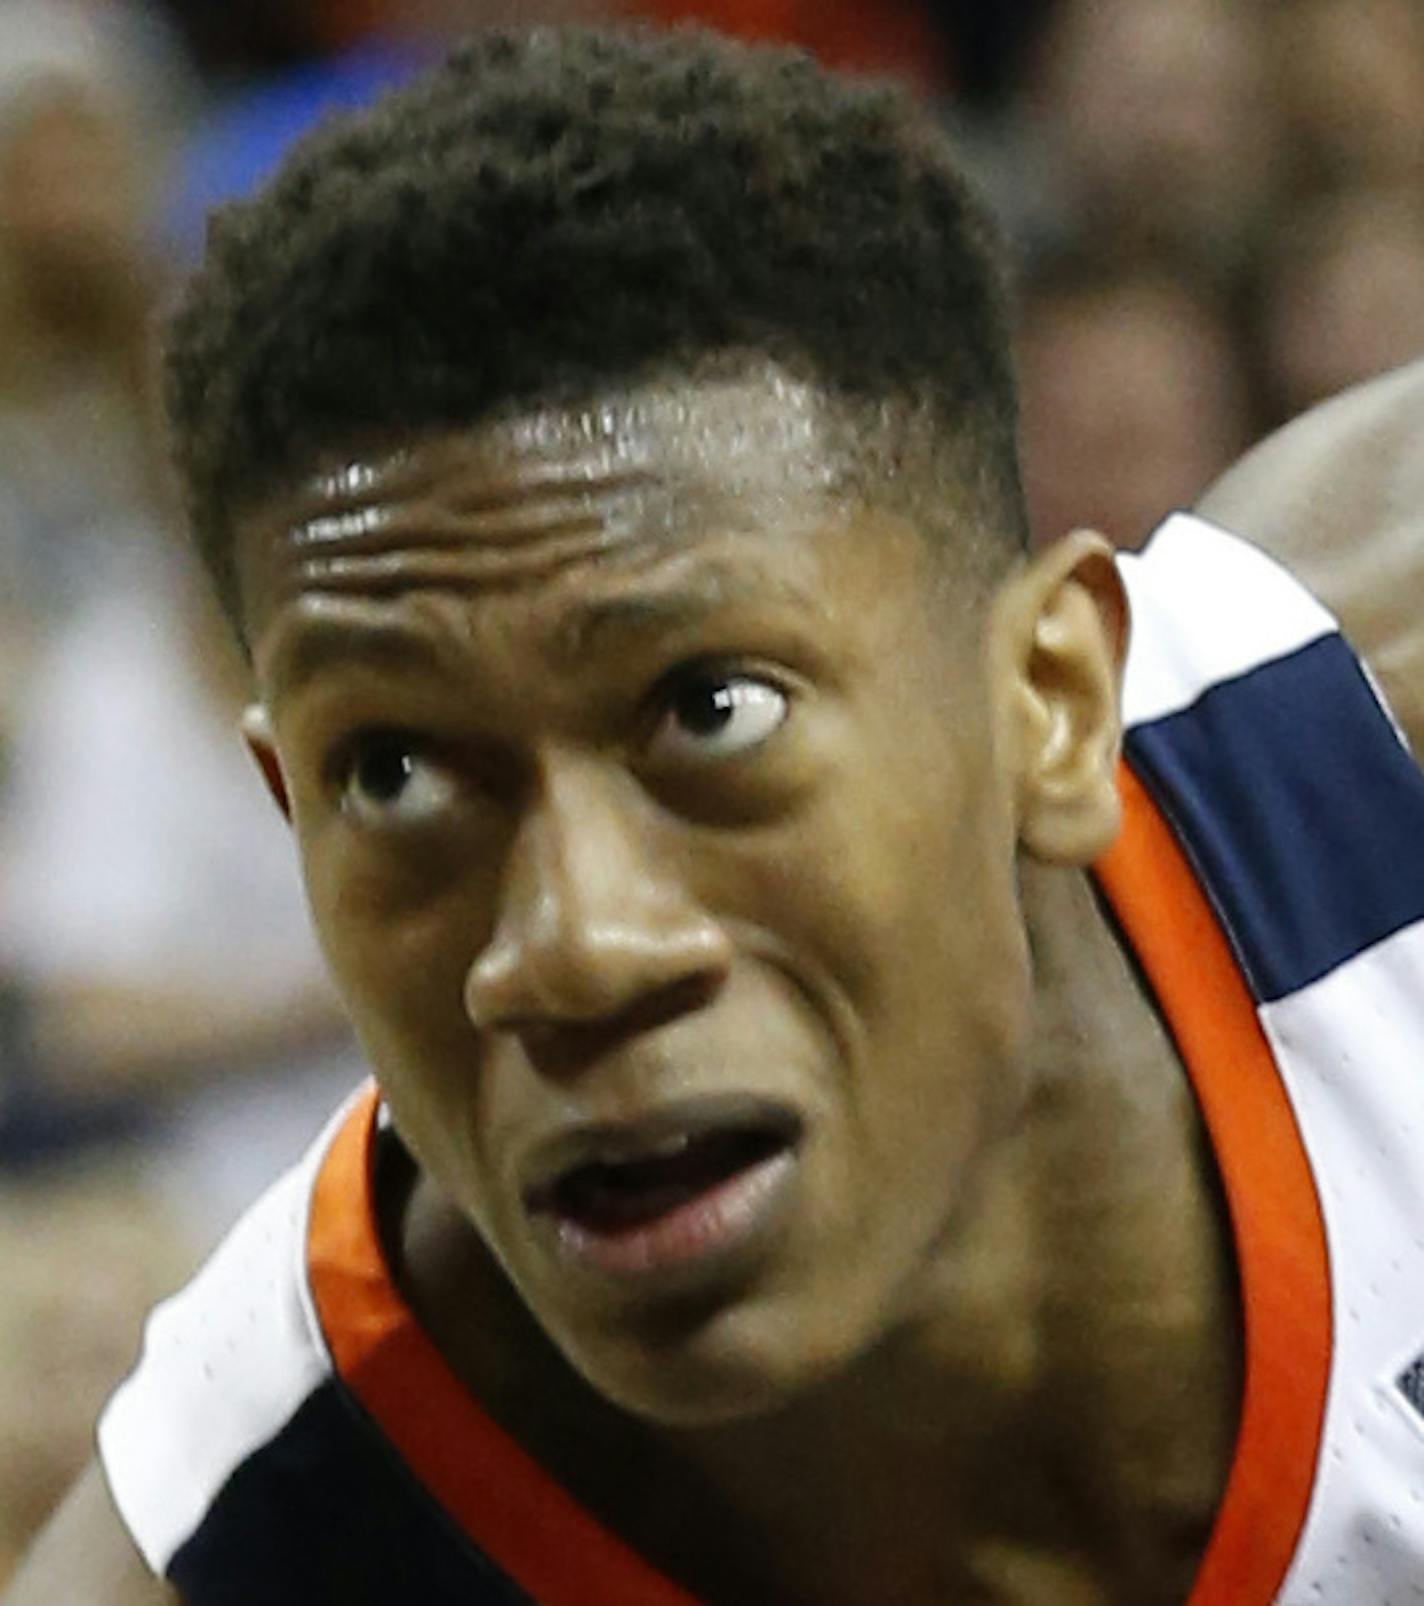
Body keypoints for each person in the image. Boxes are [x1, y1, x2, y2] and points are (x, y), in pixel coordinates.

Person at [6, 26, 1424, 1606]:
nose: (575, 945)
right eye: (394, 775)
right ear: (288, 805)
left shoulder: (1377, 746)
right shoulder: (268, 1505)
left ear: (1049, 699)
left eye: (710, 712)